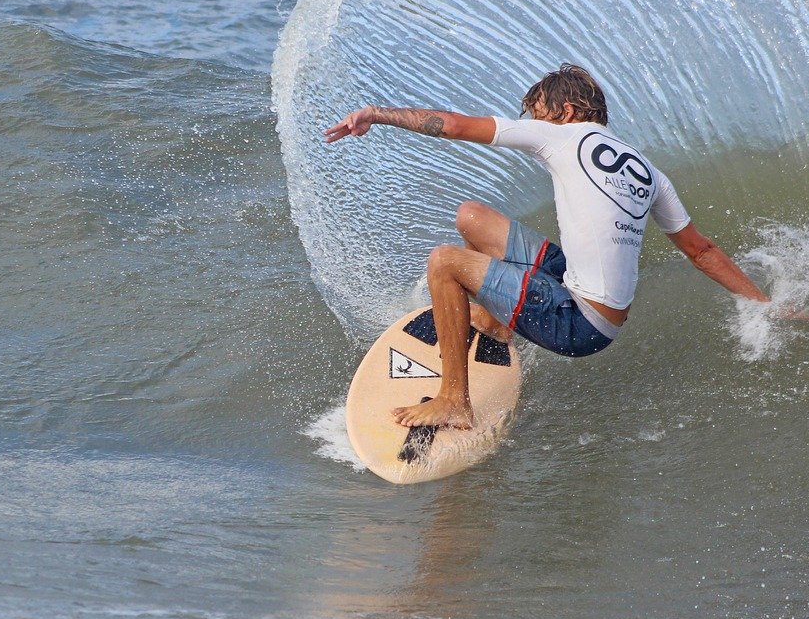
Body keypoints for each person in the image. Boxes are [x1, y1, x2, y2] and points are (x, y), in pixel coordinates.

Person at [323, 63, 770, 430]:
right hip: (580, 290)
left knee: (445, 263)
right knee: (471, 218)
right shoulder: (649, 171)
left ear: (567, 111)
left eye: (538, 114)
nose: (532, 124)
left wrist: (376, 115)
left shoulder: (562, 136)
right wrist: (764, 303)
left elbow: (454, 126)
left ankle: (453, 400)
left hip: (578, 322)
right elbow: (702, 251)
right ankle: (493, 322)